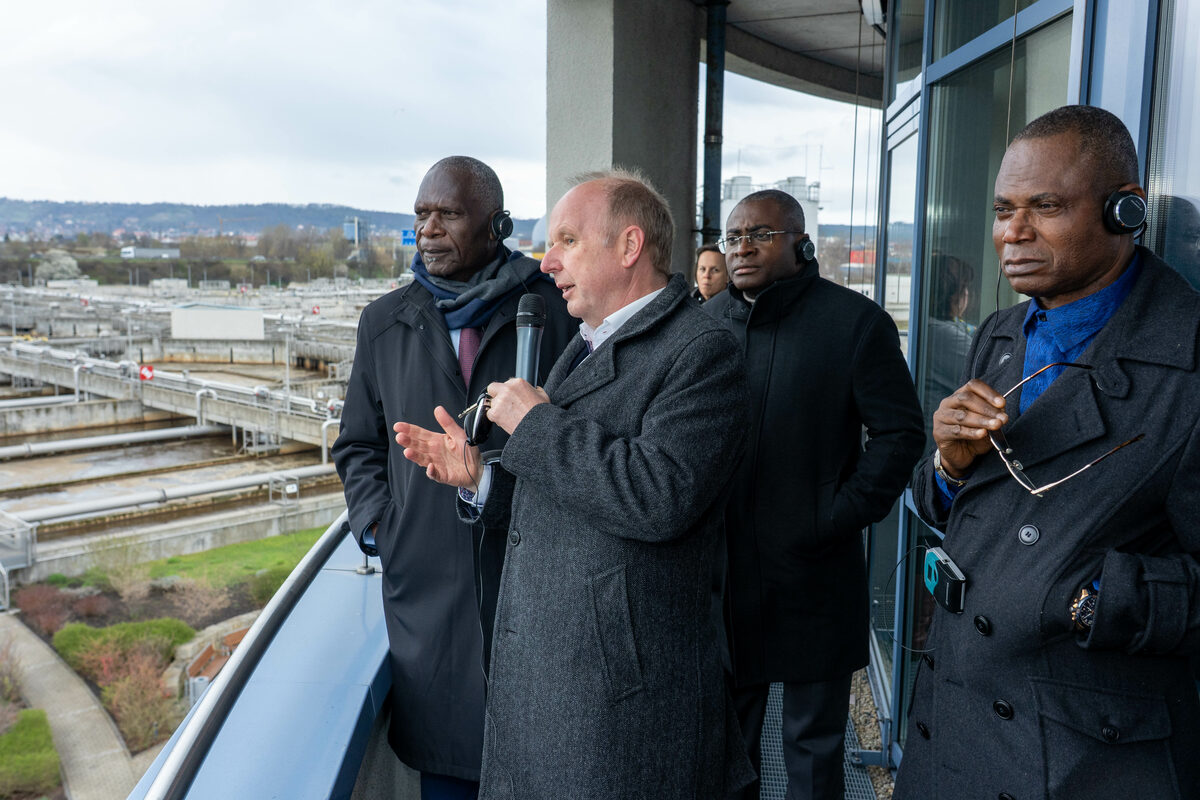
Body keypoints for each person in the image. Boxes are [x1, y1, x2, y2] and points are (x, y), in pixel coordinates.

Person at [394, 169, 755, 799]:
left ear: (629, 247)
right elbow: (571, 494)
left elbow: (658, 494)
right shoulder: (586, 343)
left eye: (566, 240)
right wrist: (482, 476)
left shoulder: (702, 351)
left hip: (623, 709)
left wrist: (534, 423)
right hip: (557, 689)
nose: (546, 259)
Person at [895, 105, 1200, 800]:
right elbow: (949, 506)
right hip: (951, 723)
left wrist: (1097, 602)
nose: (1011, 232)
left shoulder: (1189, 362)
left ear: (1125, 211)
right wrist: (947, 467)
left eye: (1046, 207)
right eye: (1003, 210)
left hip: (1080, 753)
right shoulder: (1001, 332)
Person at [331, 156, 575, 800]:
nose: (428, 230)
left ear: (497, 224)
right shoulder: (384, 323)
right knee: (448, 776)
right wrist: (384, 529)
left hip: (539, 578)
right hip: (428, 598)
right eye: (420, 215)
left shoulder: (552, 310)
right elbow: (357, 444)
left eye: (448, 214)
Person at [705, 189, 925, 800]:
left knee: (811, 756)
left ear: (800, 242)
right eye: (733, 237)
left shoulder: (855, 323)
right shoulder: (703, 325)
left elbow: (901, 434)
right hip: (721, 580)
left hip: (814, 574)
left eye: (759, 234)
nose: (742, 247)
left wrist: (836, 516)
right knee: (726, 756)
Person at [921, 253, 977, 434]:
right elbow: (991, 379)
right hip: (938, 443)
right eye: (964, 288)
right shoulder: (943, 335)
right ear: (954, 294)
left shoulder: (932, 328)